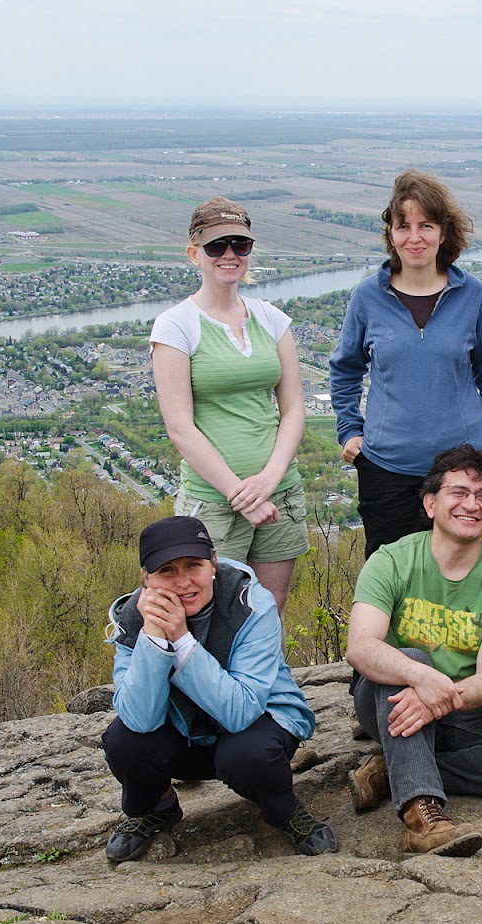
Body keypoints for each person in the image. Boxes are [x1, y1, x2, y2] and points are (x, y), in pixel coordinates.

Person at [346, 445, 482, 856]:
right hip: (386, 702)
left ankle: (396, 771)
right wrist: (422, 678)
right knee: (412, 661)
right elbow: (361, 647)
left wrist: (438, 701)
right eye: (458, 492)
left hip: (464, 708)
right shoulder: (392, 560)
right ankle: (421, 818)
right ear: (430, 503)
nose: (471, 505)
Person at [102, 515, 336, 863]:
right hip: (183, 734)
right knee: (123, 741)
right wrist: (153, 637)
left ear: (213, 562)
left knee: (249, 754)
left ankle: (286, 812)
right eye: (167, 571)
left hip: (254, 725)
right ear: (146, 578)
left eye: (193, 565)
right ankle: (157, 807)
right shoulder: (132, 619)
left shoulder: (250, 605)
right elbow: (139, 719)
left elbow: (241, 712)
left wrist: (181, 640)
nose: (183, 582)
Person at [330, 170, 482, 558]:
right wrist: (349, 429)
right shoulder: (368, 296)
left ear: (444, 233)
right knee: (389, 579)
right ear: (391, 234)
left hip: (466, 470)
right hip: (387, 469)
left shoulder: (471, 295)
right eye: (404, 226)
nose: (414, 238)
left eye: (426, 226)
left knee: (459, 575)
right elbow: (345, 367)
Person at [151, 197, 307, 617]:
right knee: (212, 611)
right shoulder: (176, 325)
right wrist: (242, 495)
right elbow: (180, 427)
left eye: (240, 245)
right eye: (216, 246)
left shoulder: (271, 319)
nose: (230, 255)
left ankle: (267, 685)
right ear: (194, 253)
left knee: (269, 607)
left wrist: (270, 480)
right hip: (213, 501)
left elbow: (294, 408)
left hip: (280, 491)